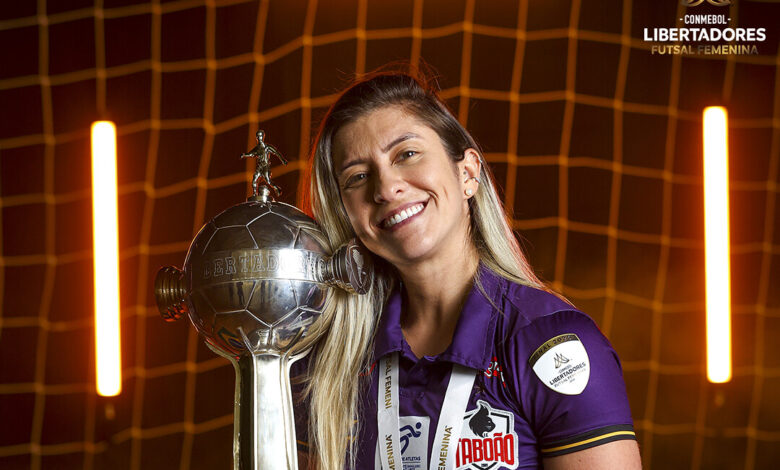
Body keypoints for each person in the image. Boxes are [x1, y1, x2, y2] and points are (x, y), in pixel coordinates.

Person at [297, 68, 641, 469]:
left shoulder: (552, 344)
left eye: (407, 154)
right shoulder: (330, 365)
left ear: (468, 173)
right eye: (357, 176)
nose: (386, 188)